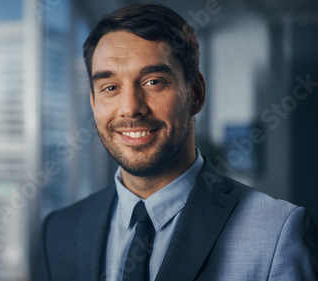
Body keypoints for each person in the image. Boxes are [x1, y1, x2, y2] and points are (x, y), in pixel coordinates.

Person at [38, 3, 318, 281]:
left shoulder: (276, 232)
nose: (130, 108)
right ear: (93, 102)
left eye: (153, 82)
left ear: (195, 93)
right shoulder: (59, 231)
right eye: (110, 88)